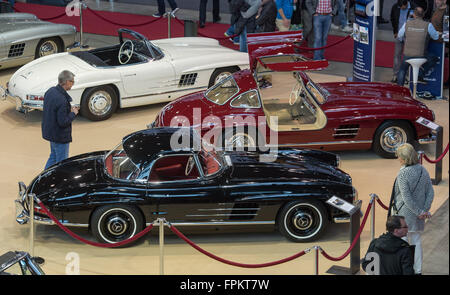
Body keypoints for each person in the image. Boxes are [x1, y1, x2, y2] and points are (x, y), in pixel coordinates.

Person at [388, 143, 434, 275]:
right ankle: (418, 270)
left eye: (399, 156)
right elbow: (430, 192)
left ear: (403, 158)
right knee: (416, 242)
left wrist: (420, 212)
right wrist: (424, 211)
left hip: (404, 214)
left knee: (402, 242)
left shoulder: (403, 174)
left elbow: (406, 198)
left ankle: (404, 270)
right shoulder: (422, 170)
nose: (398, 159)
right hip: (419, 214)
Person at [42, 70, 79, 170]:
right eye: (72, 82)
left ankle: (43, 178)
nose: (73, 84)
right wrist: (73, 113)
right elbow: (63, 122)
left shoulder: (50, 91)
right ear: (67, 82)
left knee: (53, 157)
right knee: (62, 163)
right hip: (60, 136)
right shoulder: (62, 100)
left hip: (51, 133)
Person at [396, 6, 440, 86]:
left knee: (402, 69)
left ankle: (400, 89)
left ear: (413, 15)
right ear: (423, 15)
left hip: (407, 54)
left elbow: (399, 35)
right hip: (421, 55)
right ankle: (420, 74)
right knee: (434, 59)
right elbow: (436, 37)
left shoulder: (407, 23)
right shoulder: (428, 25)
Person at [390, 0, 414, 83]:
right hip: (399, 36)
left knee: (407, 56)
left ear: (406, 4)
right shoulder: (395, 7)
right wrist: (395, 31)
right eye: (400, 7)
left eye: (402, 7)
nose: (401, 8)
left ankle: (406, 76)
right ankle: (396, 75)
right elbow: (392, 19)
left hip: (409, 37)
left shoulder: (413, 7)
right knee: (397, 55)